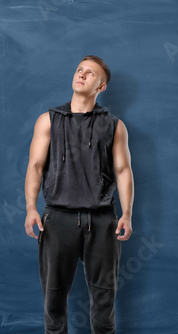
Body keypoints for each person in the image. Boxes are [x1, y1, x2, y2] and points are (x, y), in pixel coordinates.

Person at [24, 55, 134, 334]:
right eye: (79, 70)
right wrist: (30, 208)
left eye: (90, 73)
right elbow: (36, 166)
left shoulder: (114, 126)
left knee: (104, 298)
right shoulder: (48, 121)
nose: (82, 75)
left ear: (102, 86)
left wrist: (128, 214)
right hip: (58, 218)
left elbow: (123, 171)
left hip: (102, 221)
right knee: (54, 298)